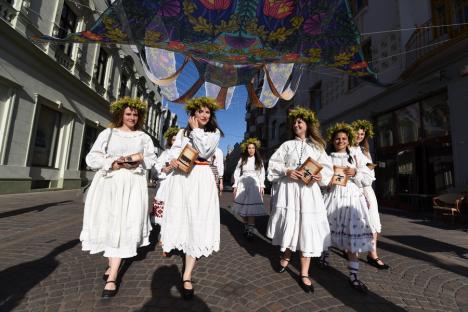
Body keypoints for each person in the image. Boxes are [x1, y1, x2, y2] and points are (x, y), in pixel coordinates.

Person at [81, 97, 156, 298]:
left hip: (132, 185)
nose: (132, 117)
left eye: (135, 114)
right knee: (109, 223)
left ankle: (113, 276)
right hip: (109, 184)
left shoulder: (143, 137)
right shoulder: (109, 133)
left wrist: (137, 160)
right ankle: (112, 263)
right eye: (128, 114)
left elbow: (151, 159)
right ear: (121, 114)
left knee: (125, 225)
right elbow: (92, 157)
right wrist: (112, 163)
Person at [159, 97, 222, 300]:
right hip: (182, 179)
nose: (204, 115)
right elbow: (174, 152)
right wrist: (173, 160)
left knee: (196, 221)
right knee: (180, 216)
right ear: (193, 114)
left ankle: (186, 275)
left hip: (201, 178)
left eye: (208, 113)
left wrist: (195, 131)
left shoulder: (214, 134)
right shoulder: (181, 133)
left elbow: (204, 150)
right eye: (201, 112)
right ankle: (176, 242)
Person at [266, 107, 333, 293]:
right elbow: (273, 164)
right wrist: (287, 171)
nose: (296, 125)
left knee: (306, 227)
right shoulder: (286, 145)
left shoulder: (317, 147)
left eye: (300, 122)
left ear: (307, 125)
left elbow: (327, 169)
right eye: (294, 122)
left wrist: (321, 177)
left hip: (309, 193)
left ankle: (304, 272)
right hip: (289, 190)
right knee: (291, 223)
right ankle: (286, 256)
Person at [321, 122, 374, 293]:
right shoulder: (327, 158)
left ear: (348, 140)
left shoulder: (357, 156)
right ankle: (324, 256)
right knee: (327, 228)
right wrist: (327, 182)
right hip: (333, 196)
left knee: (352, 235)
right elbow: (322, 178)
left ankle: (354, 275)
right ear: (333, 140)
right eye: (338, 138)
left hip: (351, 198)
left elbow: (368, 177)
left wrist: (355, 173)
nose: (341, 141)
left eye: (344, 138)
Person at [351, 119, 389, 270]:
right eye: (357, 133)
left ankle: (373, 254)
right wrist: (360, 174)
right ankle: (351, 250)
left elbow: (371, 172)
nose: (360, 136)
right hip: (354, 190)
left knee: (373, 222)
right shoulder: (348, 149)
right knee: (355, 222)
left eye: (362, 134)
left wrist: (366, 174)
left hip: (368, 190)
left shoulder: (365, 151)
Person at [232, 138, 266, 240]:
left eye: (253, 148)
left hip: (254, 183)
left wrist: (262, 185)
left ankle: (250, 230)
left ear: (255, 149)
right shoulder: (242, 159)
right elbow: (237, 172)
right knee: (241, 207)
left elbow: (261, 174)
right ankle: (247, 225)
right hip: (243, 183)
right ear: (246, 149)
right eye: (249, 148)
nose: (251, 150)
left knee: (251, 208)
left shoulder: (259, 160)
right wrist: (235, 185)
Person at [151, 126, 179, 226]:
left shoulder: (183, 153)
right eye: (173, 139)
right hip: (166, 183)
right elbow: (157, 167)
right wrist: (164, 168)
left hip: (178, 184)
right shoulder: (166, 153)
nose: (175, 142)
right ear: (170, 141)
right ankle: (161, 237)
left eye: (177, 140)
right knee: (163, 215)